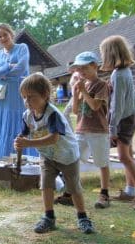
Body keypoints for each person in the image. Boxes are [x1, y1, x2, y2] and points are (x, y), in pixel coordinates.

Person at [14, 73, 95, 234]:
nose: (27, 101)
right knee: (46, 185)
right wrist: (19, 141)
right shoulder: (27, 116)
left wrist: (29, 143)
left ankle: (83, 217)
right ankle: (48, 217)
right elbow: (24, 134)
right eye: (24, 97)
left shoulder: (53, 114)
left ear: (44, 95)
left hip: (66, 156)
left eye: (31, 97)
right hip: (47, 156)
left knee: (73, 187)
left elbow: (54, 138)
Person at [100, 35, 135, 210]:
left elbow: (118, 105)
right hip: (129, 117)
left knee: (124, 157)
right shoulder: (123, 72)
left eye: (103, 54)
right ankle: (130, 191)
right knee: (128, 154)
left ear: (110, 54)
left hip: (123, 120)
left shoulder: (119, 75)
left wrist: (112, 127)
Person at [56, 52, 112, 209]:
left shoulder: (101, 85)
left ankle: (104, 193)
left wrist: (84, 92)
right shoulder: (83, 85)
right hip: (81, 129)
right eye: (79, 69)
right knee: (73, 160)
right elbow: (75, 110)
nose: (81, 72)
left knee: (102, 162)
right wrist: (75, 94)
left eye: (85, 68)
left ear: (95, 66)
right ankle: (69, 192)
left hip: (98, 130)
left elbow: (95, 106)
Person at [0, 23, 36, 165]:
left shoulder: (22, 48)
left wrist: (1, 72)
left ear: (11, 34)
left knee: (16, 123)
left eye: (5, 34)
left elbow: (21, 68)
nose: (2, 38)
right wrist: (8, 67)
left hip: (17, 94)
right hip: (0, 97)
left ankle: (19, 159)